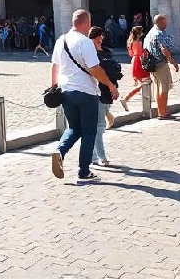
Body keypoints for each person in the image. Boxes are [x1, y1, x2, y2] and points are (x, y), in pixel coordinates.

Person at [50, 9, 119, 183]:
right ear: (87, 23)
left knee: (73, 128)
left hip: (66, 91)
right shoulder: (85, 42)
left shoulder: (61, 40)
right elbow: (95, 69)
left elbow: (54, 67)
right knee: (89, 132)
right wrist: (110, 85)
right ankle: (84, 171)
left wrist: (53, 88)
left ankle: (60, 151)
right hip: (86, 92)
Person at [88, 26, 122, 167]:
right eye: (97, 36)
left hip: (109, 91)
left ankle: (93, 156)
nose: (100, 38)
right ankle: (101, 157)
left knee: (98, 126)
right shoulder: (90, 54)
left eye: (101, 35)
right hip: (97, 91)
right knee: (99, 126)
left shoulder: (107, 51)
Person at [143, 14, 179, 119]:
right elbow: (164, 49)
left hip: (151, 65)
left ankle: (160, 111)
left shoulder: (150, 33)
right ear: (158, 22)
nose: (166, 23)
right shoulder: (159, 34)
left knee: (157, 87)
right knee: (164, 88)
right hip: (160, 64)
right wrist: (173, 62)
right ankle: (163, 113)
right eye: (164, 21)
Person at [120, 26, 149, 111]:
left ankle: (147, 99)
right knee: (144, 82)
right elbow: (141, 52)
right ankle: (126, 98)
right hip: (139, 61)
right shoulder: (138, 41)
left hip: (134, 60)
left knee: (143, 82)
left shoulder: (131, 42)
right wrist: (145, 52)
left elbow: (131, 53)